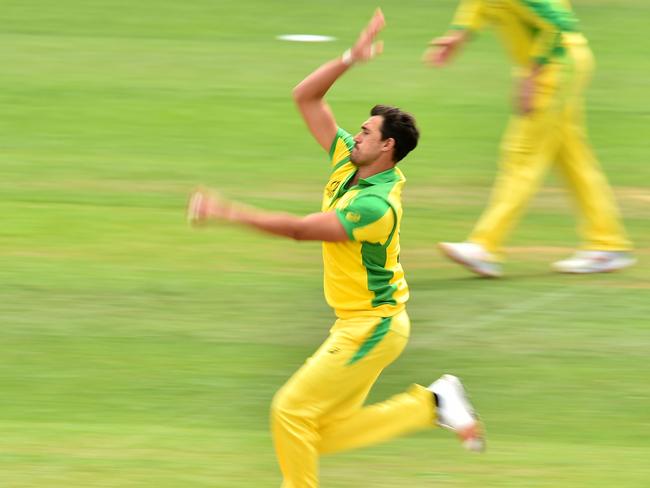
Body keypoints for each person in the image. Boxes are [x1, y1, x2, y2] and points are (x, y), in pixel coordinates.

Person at [188, 9, 484, 488]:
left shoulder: (376, 205)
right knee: (311, 432)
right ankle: (430, 404)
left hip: (373, 324)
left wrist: (227, 212)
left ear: (386, 148)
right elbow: (306, 97)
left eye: (366, 132)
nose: (356, 133)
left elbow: (301, 231)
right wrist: (352, 57)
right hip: (356, 321)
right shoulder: (351, 162)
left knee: (289, 411)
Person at [424, 0, 635, 277]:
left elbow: (559, 22)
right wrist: (459, 34)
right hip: (560, 62)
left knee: (522, 155)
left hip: (555, 64)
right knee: (572, 157)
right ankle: (607, 243)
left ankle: (485, 246)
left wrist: (532, 75)